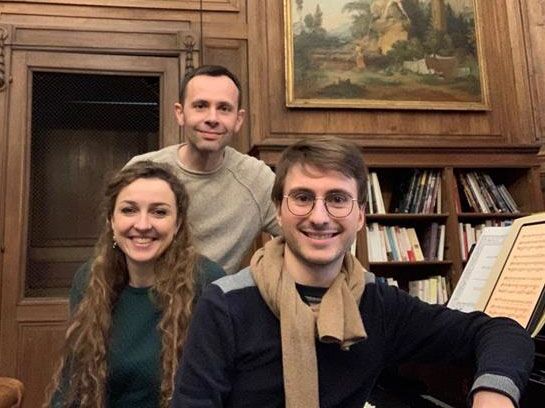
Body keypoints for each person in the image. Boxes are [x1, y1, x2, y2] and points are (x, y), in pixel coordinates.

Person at [172, 136, 534, 408]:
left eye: (337, 199)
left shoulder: (379, 303)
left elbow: (500, 332)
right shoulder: (225, 304)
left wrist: (494, 390)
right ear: (279, 212)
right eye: (302, 197)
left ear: (360, 215)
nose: (319, 216)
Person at [45, 161, 225, 408]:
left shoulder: (208, 282)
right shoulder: (88, 280)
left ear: (178, 224)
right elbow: (71, 385)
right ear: (111, 221)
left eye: (159, 212)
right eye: (129, 210)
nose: (142, 225)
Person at [126, 65, 280, 274]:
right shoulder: (142, 170)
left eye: (224, 108)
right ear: (180, 113)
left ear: (238, 120)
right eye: (200, 106)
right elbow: (115, 244)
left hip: (216, 292)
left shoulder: (256, 178)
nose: (212, 118)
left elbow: (301, 235)